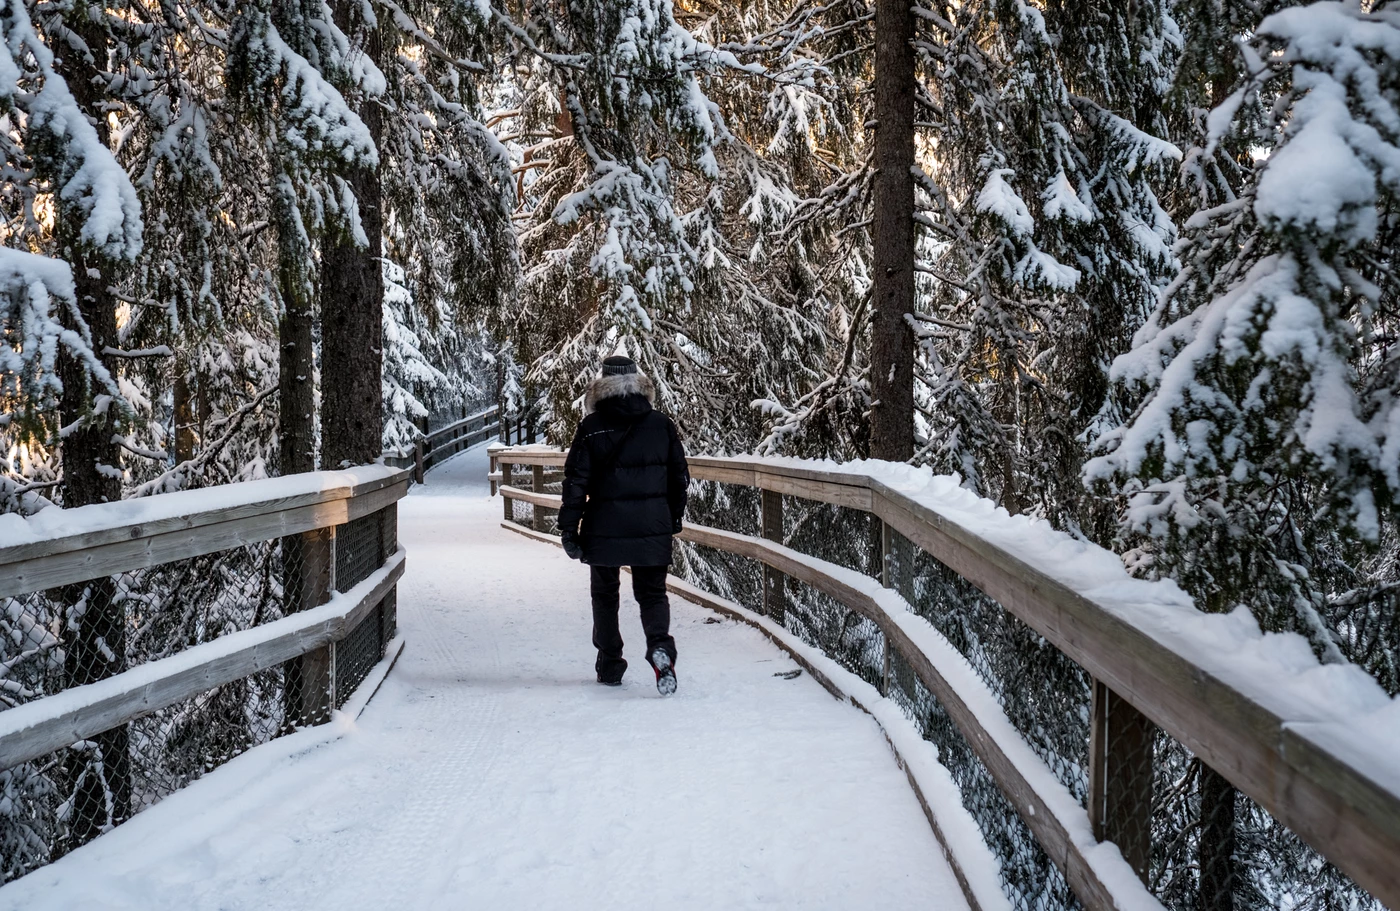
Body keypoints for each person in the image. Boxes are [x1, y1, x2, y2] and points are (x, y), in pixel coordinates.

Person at [558, 356, 689, 695]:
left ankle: (610, 663)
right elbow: (679, 477)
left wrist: (569, 529)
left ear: (602, 383)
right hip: (652, 524)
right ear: (636, 381)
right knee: (652, 593)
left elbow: (576, 482)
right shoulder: (661, 424)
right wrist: (672, 516)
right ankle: (660, 647)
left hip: (603, 525)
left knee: (604, 593)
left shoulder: (592, 427)